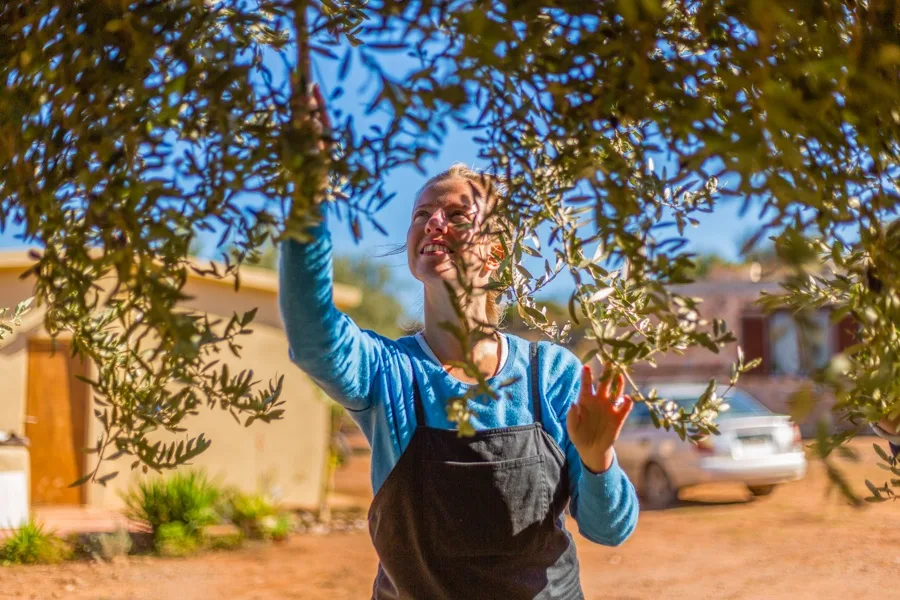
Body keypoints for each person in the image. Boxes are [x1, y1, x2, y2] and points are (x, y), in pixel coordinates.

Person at [278, 86, 638, 599]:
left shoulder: (549, 373)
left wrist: (598, 456)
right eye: (421, 215)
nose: (433, 224)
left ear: (494, 255)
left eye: (457, 215)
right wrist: (306, 194)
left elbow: (610, 529)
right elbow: (312, 335)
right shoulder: (388, 373)